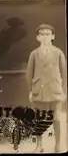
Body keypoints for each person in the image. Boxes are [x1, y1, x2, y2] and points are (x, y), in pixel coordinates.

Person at [26, 24, 66, 153]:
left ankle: (58, 144)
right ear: (37, 37)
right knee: (39, 119)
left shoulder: (58, 52)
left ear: (53, 37)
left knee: (57, 118)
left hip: (55, 90)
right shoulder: (34, 54)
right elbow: (29, 74)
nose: (45, 37)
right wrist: (31, 91)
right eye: (42, 34)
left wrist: (64, 91)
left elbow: (65, 74)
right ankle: (39, 145)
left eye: (48, 34)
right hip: (40, 90)